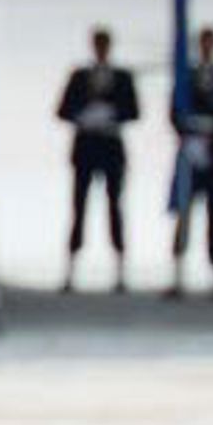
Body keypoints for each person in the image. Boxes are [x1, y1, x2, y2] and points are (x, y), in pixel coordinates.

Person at [56, 27, 138, 292]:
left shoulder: (123, 77)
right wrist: (84, 116)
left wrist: (111, 115)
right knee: (79, 207)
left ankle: (120, 269)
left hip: (111, 145)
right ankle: (70, 269)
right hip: (86, 146)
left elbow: (133, 110)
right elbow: (63, 109)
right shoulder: (80, 77)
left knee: (115, 207)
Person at [164, 24, 213, 301]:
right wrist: (189, 133)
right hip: (190, 154)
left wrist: (210, 131)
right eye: (204, 43)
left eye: (212, 43)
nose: (208, 47)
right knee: (184, 214)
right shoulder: (187, 78)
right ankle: (177, 274)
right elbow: (174, 112)